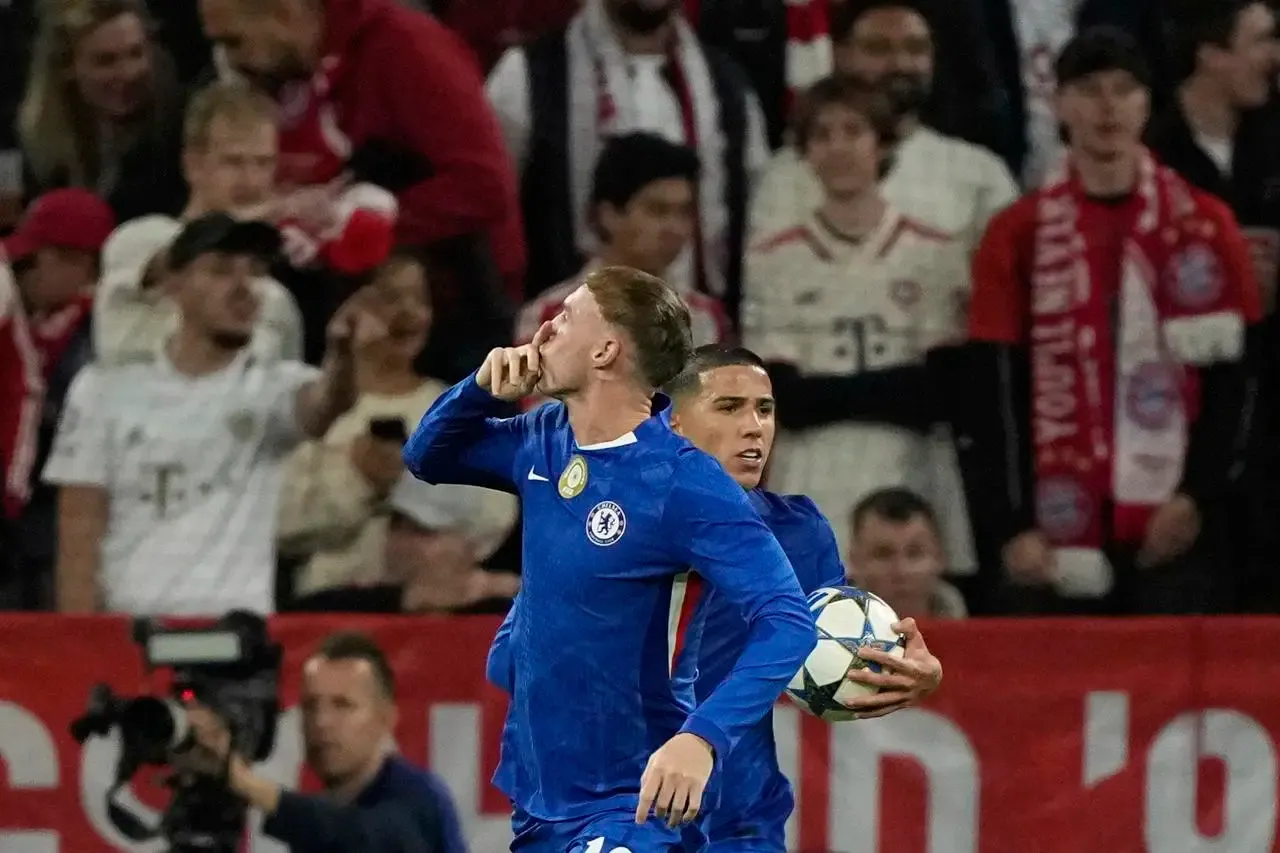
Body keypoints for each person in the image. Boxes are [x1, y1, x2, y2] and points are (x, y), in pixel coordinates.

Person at [403, 266, 816, 850]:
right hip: (541, 797)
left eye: (565, 317)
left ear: (604, 350)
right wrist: (476, 392)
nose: (544, 333)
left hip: (633, 802)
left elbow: (787, 623)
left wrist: (703, 738)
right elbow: (426, 457)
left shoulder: (684, 484)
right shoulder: (542, 436)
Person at [487, 344, 944, 853]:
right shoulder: (605, 525)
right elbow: (508, 664)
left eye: (764, 410)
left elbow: (824, 666)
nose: (754, 428)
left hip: (739, 823)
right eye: (729, 407)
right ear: (674, 423)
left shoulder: (798, 531)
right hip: (621, 807)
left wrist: (901, 674)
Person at [957, 27, 1261, 614]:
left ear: (1149, 103)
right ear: (1059, 103)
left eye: (1124, 90)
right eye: (1090, 90)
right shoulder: (1017, 232)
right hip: (1056, 525)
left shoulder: (1204, 223)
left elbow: (1238, 379)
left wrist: (1199, 496)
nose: (1107, 107)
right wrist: (1014, 523)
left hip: (1178, 519)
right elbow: (995, 389)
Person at [42, 213, 380, 615]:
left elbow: (325, 405)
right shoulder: (103, 390)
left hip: (239, 639)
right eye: (220, 270)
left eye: (254, 271)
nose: (244, 288)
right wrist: (81, 646)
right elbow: (79, 530)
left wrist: (341, 355)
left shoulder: (271, 386)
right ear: (173, 284)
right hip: (129, 633)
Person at [744, 76, 974, 563]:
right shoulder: (773, 258)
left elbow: (941, 392)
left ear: (883, 144)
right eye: (822, 135)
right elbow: (785, 397)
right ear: (804, 152)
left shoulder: (935, 251)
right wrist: (895, 388)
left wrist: (830, 390)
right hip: (813, 470)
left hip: (912, 467)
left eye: (854, 131)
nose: (838, 148)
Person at [184, 630, 467, 853]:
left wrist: (242, 780)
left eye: (342, 705)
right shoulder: (325, 813)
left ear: (386, 719)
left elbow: (366, 839)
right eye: (310, 706)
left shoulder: (419, 799)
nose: (321, 722)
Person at [515, 134, 731, 349]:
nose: (675, 228)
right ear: (608, 215)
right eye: (657, 210)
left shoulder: (707, 319)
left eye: (684, 212)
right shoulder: (549, 318)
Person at [847, 487, 968, 620]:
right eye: (883, 554)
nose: (901, 571)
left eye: (915, 553)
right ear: (854, 561)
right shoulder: (824, 633)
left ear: (940, 558)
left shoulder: (979, 633)